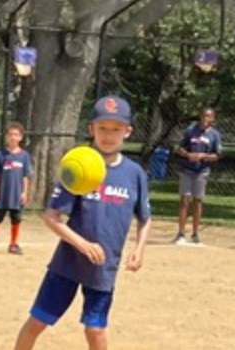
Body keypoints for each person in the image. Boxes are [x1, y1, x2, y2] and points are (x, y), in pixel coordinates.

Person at [13, 95, 152, 350]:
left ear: (128, 131)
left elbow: (145, 218)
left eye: (116, 129)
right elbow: (51, 216)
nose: (108, 135)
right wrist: (82, 244)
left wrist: (139, 249)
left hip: (103, 267)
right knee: (37, 322)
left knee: (95, 330)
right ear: (91, 129)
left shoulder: (134, 174)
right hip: (67, 264)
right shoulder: (79, 167)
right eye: (102, 128)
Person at [174, 108, 222, 245]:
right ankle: (181, 233)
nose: (206, 119)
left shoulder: (214, 134)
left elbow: (217, 155)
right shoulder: (190, 130)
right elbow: (179, 148)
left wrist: (203, 156)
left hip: (202, 170)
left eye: (209, 117)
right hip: (187, 170)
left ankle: (195, 234)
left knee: (198, 200)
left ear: (213, 118)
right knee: (184, 200)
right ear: (200, 116)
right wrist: (188, 155)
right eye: (204, 116)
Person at [0, 122, 32, 255]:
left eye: (16, 135)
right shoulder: (0, 154)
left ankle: (13, 244)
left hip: (17, 194)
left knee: (16, 219)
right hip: (3, 193)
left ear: (21, 137)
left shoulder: (24, 156)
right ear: (6, 137)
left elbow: (26, 176)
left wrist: (25, 192)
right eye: (10, 134)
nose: (13, 137)